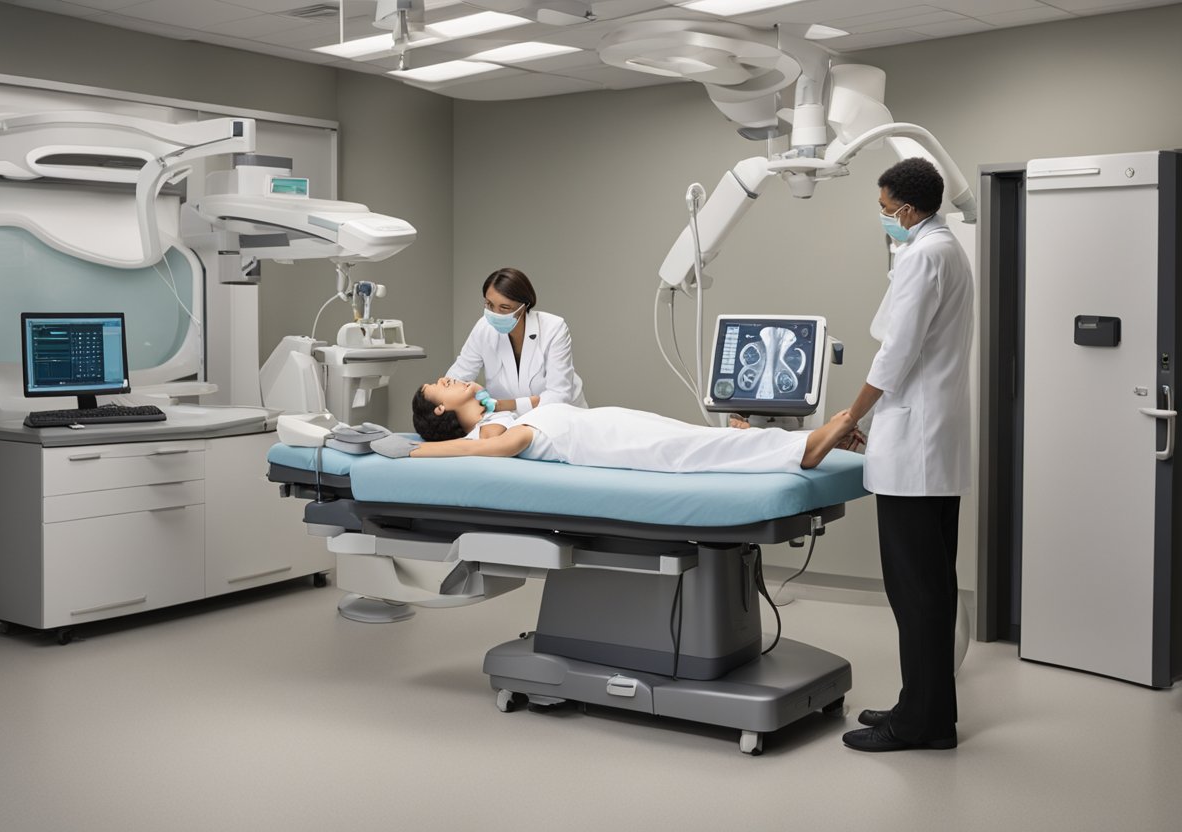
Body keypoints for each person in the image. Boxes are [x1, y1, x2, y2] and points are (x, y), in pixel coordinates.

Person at [840, 157, 974, 753]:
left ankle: (920, 725)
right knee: (931, 590)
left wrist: (849, 417)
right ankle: (921, 708)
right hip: (933, 445)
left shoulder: (922, 254)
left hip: (915, 448)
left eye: (885, 209)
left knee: (917, 593)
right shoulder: (945, 248)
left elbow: (894, 355)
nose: (883, 219)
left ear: (908, 209)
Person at [409, 377, 860, 473]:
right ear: (442, 413)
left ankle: (800, 443)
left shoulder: (493, 418)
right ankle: (808, 448)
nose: (446, 378)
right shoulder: (484, 434)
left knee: (697, 437)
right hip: (595, 441)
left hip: (600, 423)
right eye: (439, 387)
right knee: (685, 451)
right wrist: (414, 450)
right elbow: (489, 451)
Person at [448, 267, 587, 416]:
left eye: (505, 307)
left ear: (524, 305)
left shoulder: (553, 328)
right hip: (509, 419)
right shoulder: (483, 327)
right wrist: (442, 394)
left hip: (559, 416)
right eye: (489, 304)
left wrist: (501, 405)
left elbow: (559, 394)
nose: (495, 313)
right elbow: (459, 374)